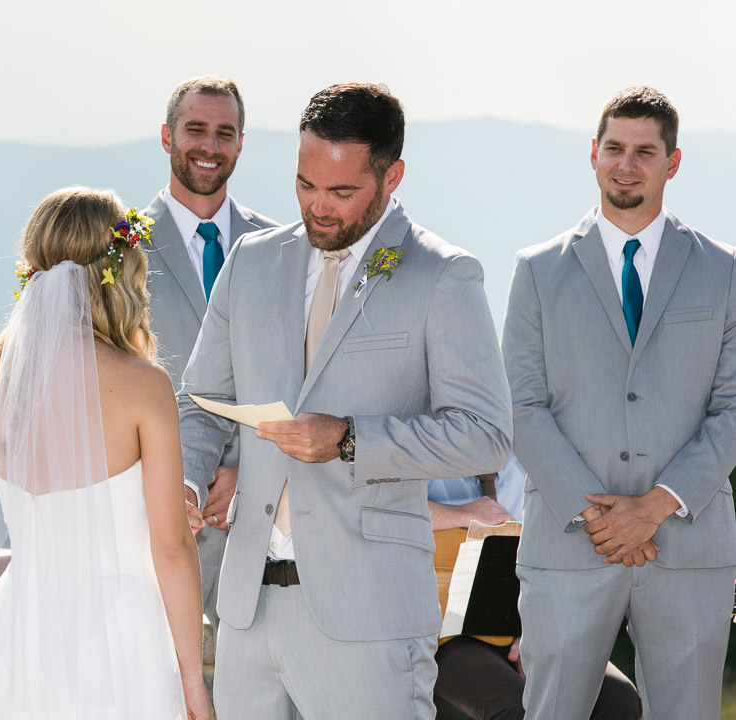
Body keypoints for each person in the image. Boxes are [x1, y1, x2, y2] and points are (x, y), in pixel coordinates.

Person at [178, 82, 512, 720]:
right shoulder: (249, 261)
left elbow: (485, 433)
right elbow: (203, 400)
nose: (317, 209)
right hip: (246, 612)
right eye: (305, 185)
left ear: (393, 177)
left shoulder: (444, 275)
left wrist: (351, 438)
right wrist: (189, 484)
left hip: (372, 618)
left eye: (341, 192)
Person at [502, 86, 736, 720]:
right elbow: (521, 406)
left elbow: (733, 408)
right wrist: (603, 518)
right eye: (614, 148)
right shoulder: (536, 270)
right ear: (594, 156)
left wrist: (656, 506)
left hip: (687, 545)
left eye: (645, 152)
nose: (626, 164)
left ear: (674, 162)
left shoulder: (724, 272)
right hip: (570, 543)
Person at [0, 187, 212, 720]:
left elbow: (45, 495)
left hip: (21, 628)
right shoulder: (144, 385)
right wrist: (193, 682)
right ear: (121, 272)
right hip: (117, 636)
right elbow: (171, 548)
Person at [140, 76, 279, 633]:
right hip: (156, 523)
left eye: (226, 133)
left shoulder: (280, 249)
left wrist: (247, 471)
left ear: (241, 143)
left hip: (260, 532)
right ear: (167, 137)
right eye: (195, 129)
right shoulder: (118, 252)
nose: (210, 146)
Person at [428, 458, 642, 720]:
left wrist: (533, 633)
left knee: (619, 697)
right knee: (517, 708)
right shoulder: (423, 442)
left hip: (525, 621)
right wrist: (463, 514)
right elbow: (376, 508)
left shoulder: (529, 452)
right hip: (442, 634)